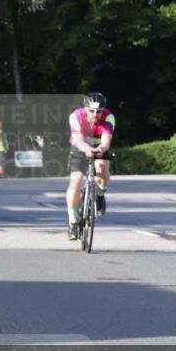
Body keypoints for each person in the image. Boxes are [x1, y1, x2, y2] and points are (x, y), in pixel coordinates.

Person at [65, 92, 116, 240]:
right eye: (91, 111)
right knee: (76, 180)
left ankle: (100, 195)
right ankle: (73, 222)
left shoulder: (109, 117)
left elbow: (106, 141)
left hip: (99, 147)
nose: (95, 114)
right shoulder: (76, 116)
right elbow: (78, 140)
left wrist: (100, 149)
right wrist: (87, 149)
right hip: (80, 148)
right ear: (85, 109)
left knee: (101, 167)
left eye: (98, 111)